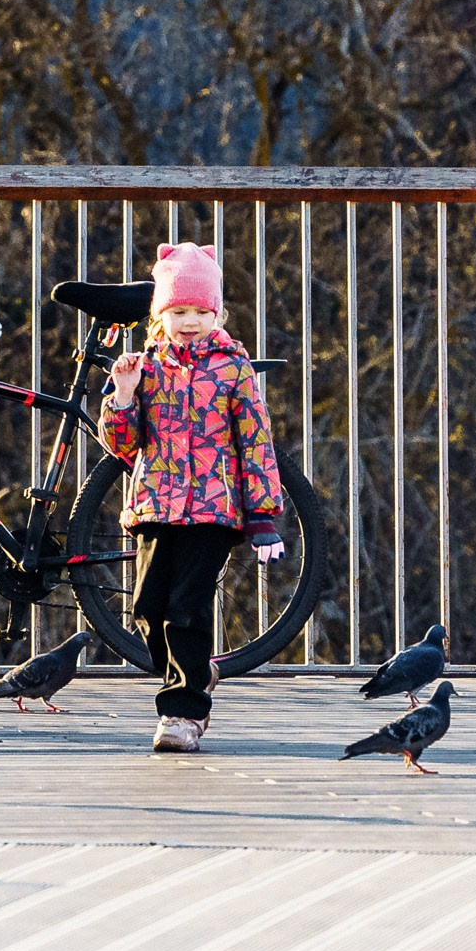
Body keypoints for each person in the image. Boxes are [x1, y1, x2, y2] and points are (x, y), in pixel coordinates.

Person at [101, 241, 284, 752]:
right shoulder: (148, 367)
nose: (190, 320)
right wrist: (122, 395)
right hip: (156, 506)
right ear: (161, 314)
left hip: (212, 511)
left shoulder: (233, 370)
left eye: (201, 312)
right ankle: (196, 672)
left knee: (186, 607)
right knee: (147, 607)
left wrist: (262, 515)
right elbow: (121, 445)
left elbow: (256, 443)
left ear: (218, 313)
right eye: (178, 311)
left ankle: (182, 712)